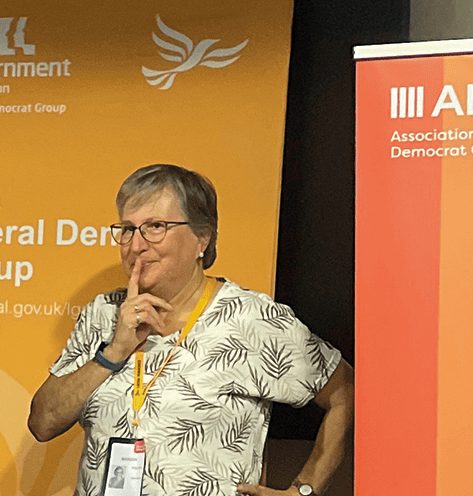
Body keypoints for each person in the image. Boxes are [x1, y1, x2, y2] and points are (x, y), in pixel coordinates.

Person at [27, 164, 353, 496]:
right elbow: (43, 423)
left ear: (202, 237)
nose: (136, 244)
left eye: (155, 227)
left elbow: (346, 394)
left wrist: (304, 490)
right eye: (127, 228)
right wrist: (113, 353)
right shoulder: (104, 313)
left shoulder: (251, 319)